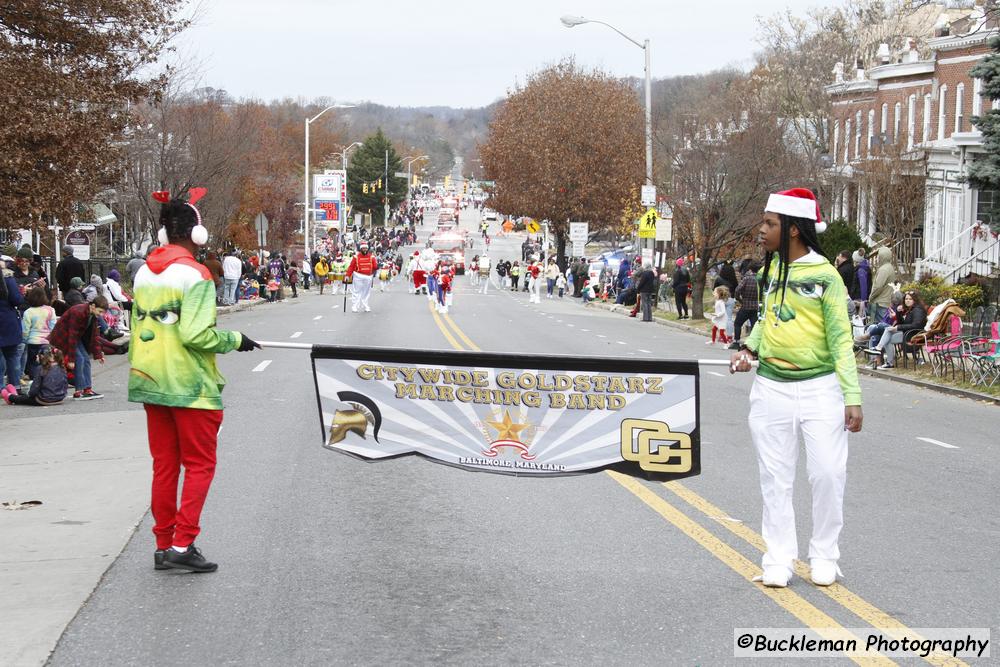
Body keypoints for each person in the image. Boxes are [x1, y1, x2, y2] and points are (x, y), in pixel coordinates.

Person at [731, 187, 862, 589]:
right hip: (771, 388)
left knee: (827, 473)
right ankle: (779, 558)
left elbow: (841, 339)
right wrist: (748, 349)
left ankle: (825, 554)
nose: (761, 230)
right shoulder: (770, 272)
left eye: (770, 223)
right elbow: (768, 324)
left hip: (821, 388)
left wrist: (852, 396)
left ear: (792, 229)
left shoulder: (825, 276)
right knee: (775, 477)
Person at [130, 189, 260, 573]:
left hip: (150, 380)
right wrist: (237, 340)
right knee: (200, 465)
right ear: (197, 234)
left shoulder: (141, 272)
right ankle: (184, 545)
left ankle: (163, 544)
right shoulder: (197, 274)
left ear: (163, 235)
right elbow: (197, 335)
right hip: (190, 385)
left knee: (164, 466)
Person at [47, 296, 108, 400]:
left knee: (85, 358)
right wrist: (71, 359)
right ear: (93, 306)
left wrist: (98, 354)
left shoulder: (93, 315)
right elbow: (72, 335)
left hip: (75, 337)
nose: (101, 315)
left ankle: (87, 389)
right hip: (63, 337)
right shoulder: (78, 312)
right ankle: (78, 391)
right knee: (79, 358)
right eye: (100, 311)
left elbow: (94, 336)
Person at [870, 291, 927, 369]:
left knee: (888, 339)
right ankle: (880, 350)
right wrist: (898, 313)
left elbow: (916, 325)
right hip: (906, 332)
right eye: (906, 299)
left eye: (910, 299)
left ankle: (887, 360)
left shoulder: (918, 310)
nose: (908, 300)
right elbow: (901, 322)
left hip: (913, 335)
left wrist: (898, 327)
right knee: (888, 330)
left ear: (915, 300)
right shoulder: (909, 309)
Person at [2, 347, 67, 406]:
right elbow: (65, 384)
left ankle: (10, 397)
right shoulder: (62, 367)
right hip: (60, 398)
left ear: (43, 356)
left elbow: (35, 388)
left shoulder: (41, 368)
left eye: (38, 355)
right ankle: (15, 395)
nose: (36, 356)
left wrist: (29, 395)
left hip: (44, 400)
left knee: (25, 398)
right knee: (24, 397)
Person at [20, 286, 56, 382]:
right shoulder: (50, 310)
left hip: (33, 341)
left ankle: (36, 381)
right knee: (47, 363)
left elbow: (25, 330)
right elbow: (53, 327)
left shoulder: (28, 312)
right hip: (47, 341)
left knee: (32, 363)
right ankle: (47, 381)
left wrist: (25, 340)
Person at [0, 258, 24, 389]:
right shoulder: (8, 278)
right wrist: (22, 293)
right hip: (7, 320)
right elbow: (16, 300)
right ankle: (14, 385)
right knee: (12, 355)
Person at [730, 261, 760, 350]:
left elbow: (737, 290)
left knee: (738, 323)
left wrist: (739, 300)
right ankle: (753, 344)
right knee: (755, 325)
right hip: (757, 306)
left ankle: (736, 342)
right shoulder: (761, 279)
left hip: (746, 305)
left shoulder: (747, 278)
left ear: (750, 269)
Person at [346, 241, 377, 313]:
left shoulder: (372, 257)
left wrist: (377, 267)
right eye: (363, 248)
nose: (365, 250)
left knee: (366, 292)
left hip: (368, 277)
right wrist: (348, 275)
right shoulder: (356, 257)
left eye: (366, 248)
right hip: (358, 276)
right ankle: (355, 306)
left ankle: (366, 305)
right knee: (357, 291)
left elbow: (375, 266)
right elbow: (351, 267)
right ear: (361, 249)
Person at [868, 246, 895, 323]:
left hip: (880, 303)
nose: (877, 258)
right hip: (886, 301)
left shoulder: (884, 269)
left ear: (882, 257)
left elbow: (878, 286)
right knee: (884, 325)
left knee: (879, 326)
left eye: (878, 256)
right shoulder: (890, 267)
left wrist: (871, 297)